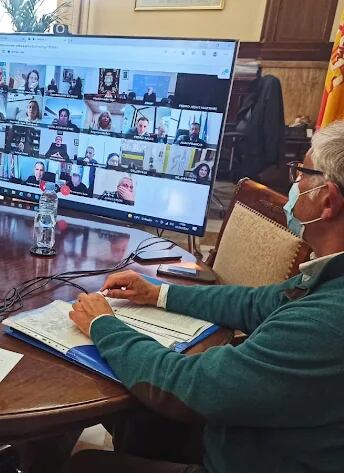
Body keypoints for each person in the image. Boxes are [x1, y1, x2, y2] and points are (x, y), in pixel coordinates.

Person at [68, 122, 344, 473]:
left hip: (248, 456)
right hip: (255, 431)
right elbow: (252, 304)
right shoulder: (329, 276)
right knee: (138, 418)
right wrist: (158, 293)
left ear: (328, 201)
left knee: (85, 465)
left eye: (301, 174)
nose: (292, 185)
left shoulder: (324, 323)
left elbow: (189, 385)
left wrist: (103, 324)